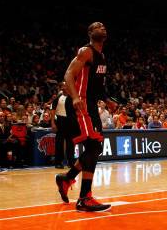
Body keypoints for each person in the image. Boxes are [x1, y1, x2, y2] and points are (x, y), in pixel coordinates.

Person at [55, 22, 111, 212]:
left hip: (91, 106)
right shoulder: (85, 51)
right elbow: (69, 74)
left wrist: (107, 100)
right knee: (94, 147)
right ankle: (84, 198)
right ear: (90, 33)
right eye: (97, 26)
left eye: (103, 26)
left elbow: (97, 86)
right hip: (81, 104)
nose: (101, 27)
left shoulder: (101, 57)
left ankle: (67, 178)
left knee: (95, 148)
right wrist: (76, 96)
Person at [51, 82, 75, 169]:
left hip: (70, 121)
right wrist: (53, 123)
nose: (66, 86)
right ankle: (58, 162)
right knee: (59, 143)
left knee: (71, 143)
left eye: (67, 85)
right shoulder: (58, 97)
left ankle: (71, 162)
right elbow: (53, 110)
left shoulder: (73, 96)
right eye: (64, 85)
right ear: (61, 87)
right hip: (60, 121)